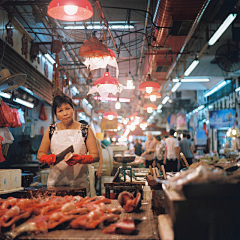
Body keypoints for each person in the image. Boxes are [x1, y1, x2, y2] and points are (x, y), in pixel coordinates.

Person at [37, 95, 99, 195]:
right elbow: (40, 153)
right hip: (55, 185)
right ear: (56, 114)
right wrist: (46, 158)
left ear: (73, 109)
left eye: (67, 109)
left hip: (80, 185)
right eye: (60, 111)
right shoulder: (51, 130)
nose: (65, 113)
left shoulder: (85, 130)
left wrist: (80, 159)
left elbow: (96, 156)